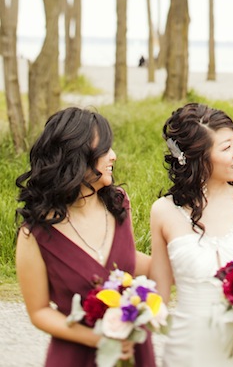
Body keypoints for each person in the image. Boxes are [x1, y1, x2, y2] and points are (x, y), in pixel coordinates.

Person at [15, 106, 156, 367]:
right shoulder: (34, 233)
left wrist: (183, 255)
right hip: (76, 354)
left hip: (132, 352)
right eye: (105, 149)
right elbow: (39, 311)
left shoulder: (118, 204)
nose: (114, 156)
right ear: (76, 156)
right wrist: (97, 338)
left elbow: (126, 262)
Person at [150, 101, 233, 366]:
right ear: (197, 157)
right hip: (185, 350)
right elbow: (159, 295)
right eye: (226, 147)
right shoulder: (162, 212)